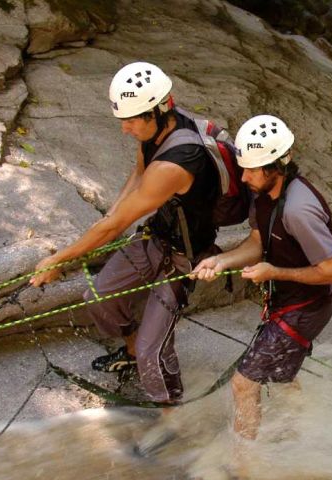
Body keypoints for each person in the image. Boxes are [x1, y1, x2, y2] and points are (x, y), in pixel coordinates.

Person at [30, 62, 222, 405]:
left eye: (132, 120)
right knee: (98, 296)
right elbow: (137, 174)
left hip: (185, 256)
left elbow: (119, 225)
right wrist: (110, 215)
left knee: (154, 350)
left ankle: (170, 412)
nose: (125, 128)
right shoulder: (158, 133)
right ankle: (131, 352)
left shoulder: (177, 162)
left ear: (160, 109)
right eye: (123, 119)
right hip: (157, 236)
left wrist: (60, 258)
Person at [194, 114, 332, 440]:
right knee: (279, 375)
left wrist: (274, 271)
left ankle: (244, 466)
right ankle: (300, 431)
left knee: (243, 383)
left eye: (252, 169)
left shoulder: (298, 210)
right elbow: (258, 242)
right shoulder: (264, 194)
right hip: (287, 299)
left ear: (277, 166)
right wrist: (220, 261)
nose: (244, 176)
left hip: (307, 306)